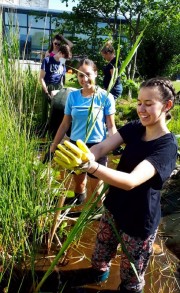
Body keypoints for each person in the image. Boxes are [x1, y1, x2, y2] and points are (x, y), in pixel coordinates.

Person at [55, 77, 178, 292]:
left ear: (167, 106)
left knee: (131, 274)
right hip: (113, 207)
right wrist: (85, 155)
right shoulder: (135, 128)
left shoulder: (166, 148)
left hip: (140, 220)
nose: (141, 109)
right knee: (100, 255)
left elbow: (131, 181)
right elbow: (102, 148)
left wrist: (90, 167)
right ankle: (97, 276)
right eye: (139, 102)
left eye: (149, 104)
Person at [48, 58, 117, 205]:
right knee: (79, 184)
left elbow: (111, 126)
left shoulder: (105, 97)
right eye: (80, 75)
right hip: (76, 146)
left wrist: (115, 144)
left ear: (96, 74)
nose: (84, 79)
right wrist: (54, 145)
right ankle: (78, 200)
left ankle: (98, 214)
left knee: (97, 189)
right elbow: (65, 124)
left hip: (98, 147)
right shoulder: (72, 96)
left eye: (88, 74)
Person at [39, 44, 72, 137]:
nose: (64, 60)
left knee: (57, 112)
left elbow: (62, 78)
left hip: (59, 88)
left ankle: (54, 133)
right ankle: (43, 132)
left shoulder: (62, 63)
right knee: (46, 111)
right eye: (64, 57)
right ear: (60, 53)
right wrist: (46, 92)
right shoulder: (47, 60)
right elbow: (41, 78)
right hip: (48, 86)